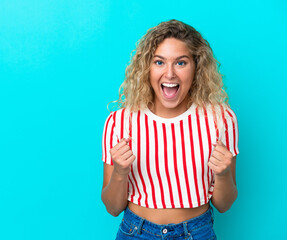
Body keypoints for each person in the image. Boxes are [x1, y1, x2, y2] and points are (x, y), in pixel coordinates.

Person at [101, 19, 239, 240]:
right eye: (159, 62)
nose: (170, 74)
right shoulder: (120, 122)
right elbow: (113, 207)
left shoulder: (221, 119)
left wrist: (222, 175)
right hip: (136, 232)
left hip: (197, 232)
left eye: (181, 63)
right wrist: (119, 172)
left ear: (196, 67)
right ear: (147, 67)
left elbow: (224, 204)